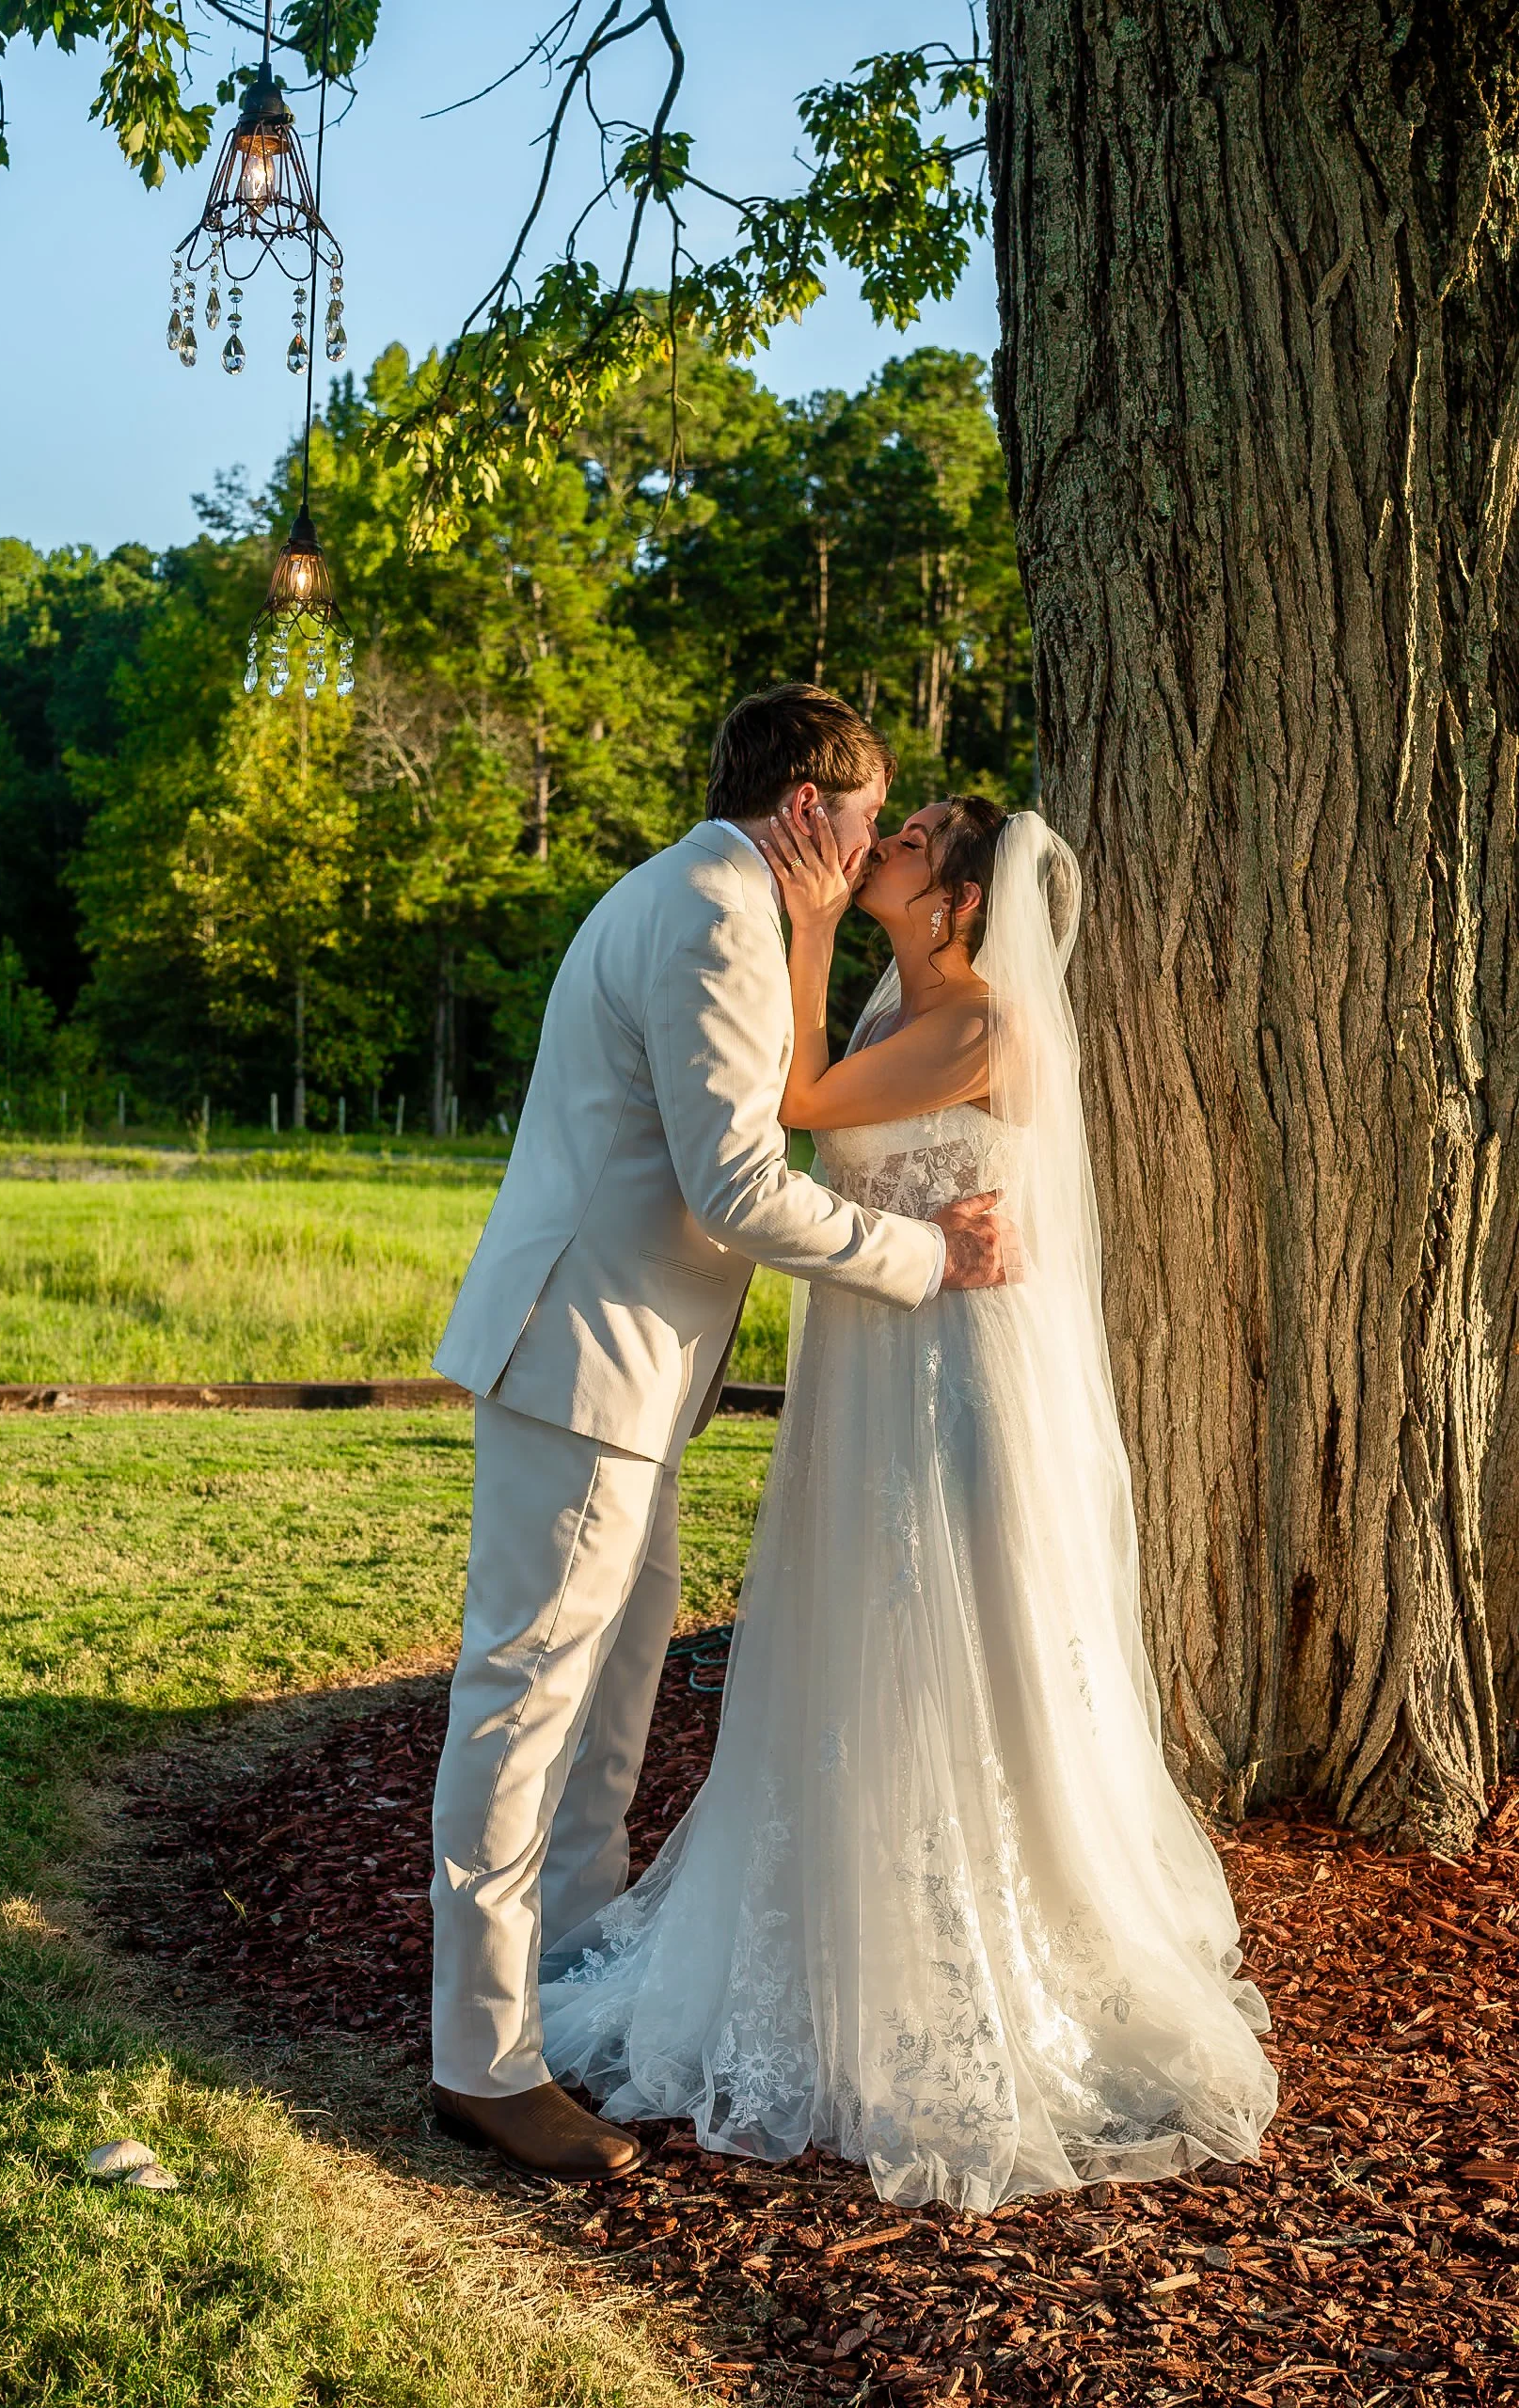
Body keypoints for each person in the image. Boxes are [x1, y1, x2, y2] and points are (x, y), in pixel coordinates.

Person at [539, 795, 1279, 2210]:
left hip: (951, 1378)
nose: (892, 836)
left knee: (950, 1638)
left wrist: (805, 923)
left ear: (953, 902)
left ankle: (969, 1947)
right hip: (868, 1362)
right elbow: (809, 1096)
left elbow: (799, 1104)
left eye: (920, 833)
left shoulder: (985, 1022)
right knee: (857, 1642)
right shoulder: (900, 1009)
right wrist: (820, 939)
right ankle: (840, 1923)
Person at [427, 688, 1022, 2182]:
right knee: (525, 1703)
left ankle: (564, 1976)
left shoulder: (694, 888)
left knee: (607, 1692)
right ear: (808, 810)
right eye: (872, 810)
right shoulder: (710, 915)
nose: (883, 837)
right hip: (584, 1361)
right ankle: (478, 2059)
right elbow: (734, 1190)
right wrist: (919, 1258)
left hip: (627, 1365)